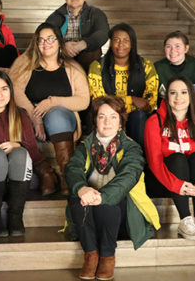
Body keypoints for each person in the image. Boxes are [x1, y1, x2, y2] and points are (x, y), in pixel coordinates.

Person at [65, 96, 160, 280]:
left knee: (109, 202)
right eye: (101, 117)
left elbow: (128, 176)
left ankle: (108, 256)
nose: (107, 122)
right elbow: (72, 169)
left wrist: (102, 196)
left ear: (121, 122)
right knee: (77, 198)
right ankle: (91, 254)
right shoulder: (84, 146)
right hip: (90, 216)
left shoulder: (132, 148)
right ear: (95, 121)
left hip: (122, 217)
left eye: (113, 116)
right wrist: (82, 189)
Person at [0, 70, 58, 237]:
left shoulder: (21, 115)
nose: (0, 94)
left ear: (10, 91)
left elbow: (34, 153)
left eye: (4, 89)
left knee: (21, 153)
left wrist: (18, 144)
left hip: (18, 183)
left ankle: (15, 216)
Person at [9, 22, 90, 195]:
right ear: (36, 44)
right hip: (31, 120)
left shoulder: (72, 68)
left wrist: (52, 102)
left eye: (51, 38)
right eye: (41, 40)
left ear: (59, 42)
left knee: (56, 115)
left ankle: (67, 176)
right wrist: (35, 116)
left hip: (63, 121)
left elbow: (84, 101)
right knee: (19, 119)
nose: (46, 43)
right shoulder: (26, 65)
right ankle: (46, 173)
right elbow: (14, 91)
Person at [144, 76, 195, 240]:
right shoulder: (154, 121)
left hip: (192, 182)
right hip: (162, 181)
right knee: (178, 158)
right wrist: (176, 184)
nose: (178, 98)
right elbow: (154, 161)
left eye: (184, 92)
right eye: (173, 93)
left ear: (192, 96)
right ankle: (185, 219)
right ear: (167, 96)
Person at [88, 22, 158, 148]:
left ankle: (139, 162)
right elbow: (98, 101)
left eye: (126, 40)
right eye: (116, 40)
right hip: (107, 116)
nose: (121, 45)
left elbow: (150, 103)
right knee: (108, 116)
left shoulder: (146, 66)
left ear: (132, 43)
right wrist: (132, 100)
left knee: (140, 116)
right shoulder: (97, 66)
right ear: (110, 42)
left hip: (136, 119)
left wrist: (115, 102)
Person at [45, 0, 109, 72]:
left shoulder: (95, 13)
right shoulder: (56, 15)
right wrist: (62, 46)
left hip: (86, 52)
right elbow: (46, 34)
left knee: (93, 52)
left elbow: (103, 33)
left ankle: (88, 83)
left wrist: (84, 44)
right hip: (62, 53)